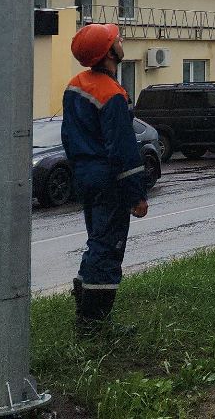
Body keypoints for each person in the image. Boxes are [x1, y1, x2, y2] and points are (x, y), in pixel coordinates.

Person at [63, 22, 150, 336]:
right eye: (117, 39)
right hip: (108, 181)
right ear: (109, 52)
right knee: (107, 247)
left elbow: (71, 138)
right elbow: (123, 150)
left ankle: (85, 312)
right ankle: (94, 325)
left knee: (96, 241)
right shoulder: (112, 93)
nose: (121, 41)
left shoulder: (76, 85)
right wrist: (136, 195)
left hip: (85, 177)